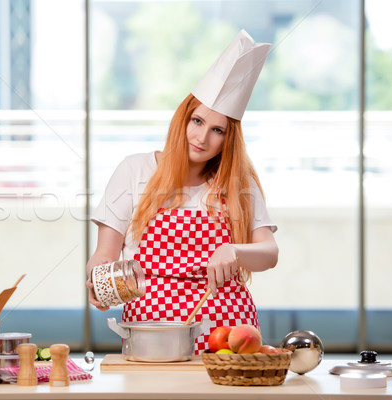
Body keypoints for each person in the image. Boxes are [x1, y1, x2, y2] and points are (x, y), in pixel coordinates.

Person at [86, 30, 278, 353]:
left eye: (217, 130)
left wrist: (235, 250)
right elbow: (105, 254)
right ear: (182, 119)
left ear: (228, 140)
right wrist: (99, 280)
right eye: (197, 121)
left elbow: (270, 253)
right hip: (151, 330)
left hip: (227, 334)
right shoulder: (134, 171)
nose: (202, 137)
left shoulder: (237, 182)